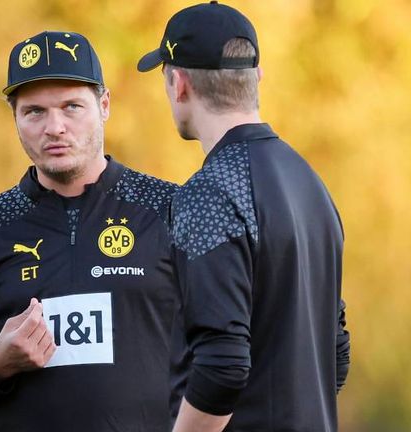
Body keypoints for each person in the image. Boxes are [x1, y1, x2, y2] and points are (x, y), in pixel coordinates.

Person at [0, 31, 180, 431]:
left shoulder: (168, 209)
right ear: (15, 117)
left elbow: (231, 351)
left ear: (104, 105)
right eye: (34, 112)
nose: (54, 127)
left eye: (72, 106)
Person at [137, 2, 351, 431]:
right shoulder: (310, 182)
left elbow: (223, 367)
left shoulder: (209, 194)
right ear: (257, 78)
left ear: (178, 84)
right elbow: (336, 353)